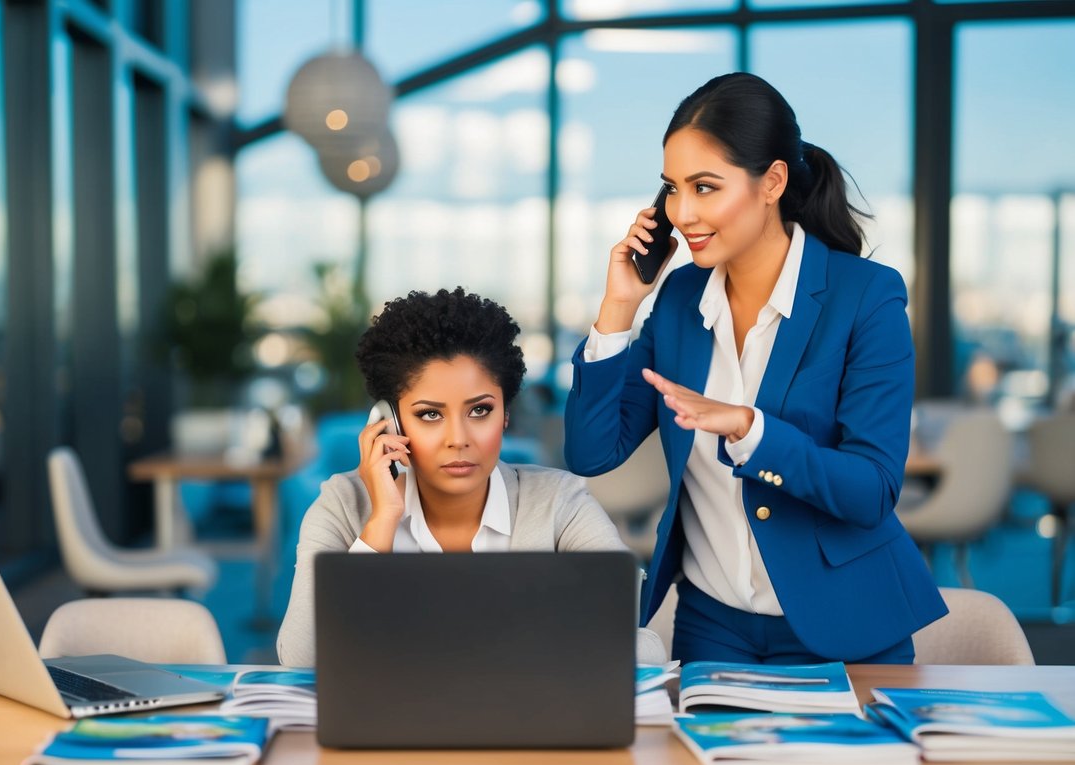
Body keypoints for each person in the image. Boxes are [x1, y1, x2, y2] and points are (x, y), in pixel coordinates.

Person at [564, 72, 946, 665]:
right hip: (713, 627)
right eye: (671, 188)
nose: (683, 213)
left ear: (772, 181)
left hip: (842, 626)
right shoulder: (678, 301)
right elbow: (592, 451)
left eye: (705, 187)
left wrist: (751, 430)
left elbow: (872, 490)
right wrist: (619, 307)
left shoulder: (866, 296)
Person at [277, 287, 665, 667]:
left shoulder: (559, 501)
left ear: (505, 415)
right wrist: (381, 524)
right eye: (430, 414)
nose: (459, 440)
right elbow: (300, 656)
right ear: (390, 423)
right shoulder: (344, 505)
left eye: (479, 411)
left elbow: (640, 645)